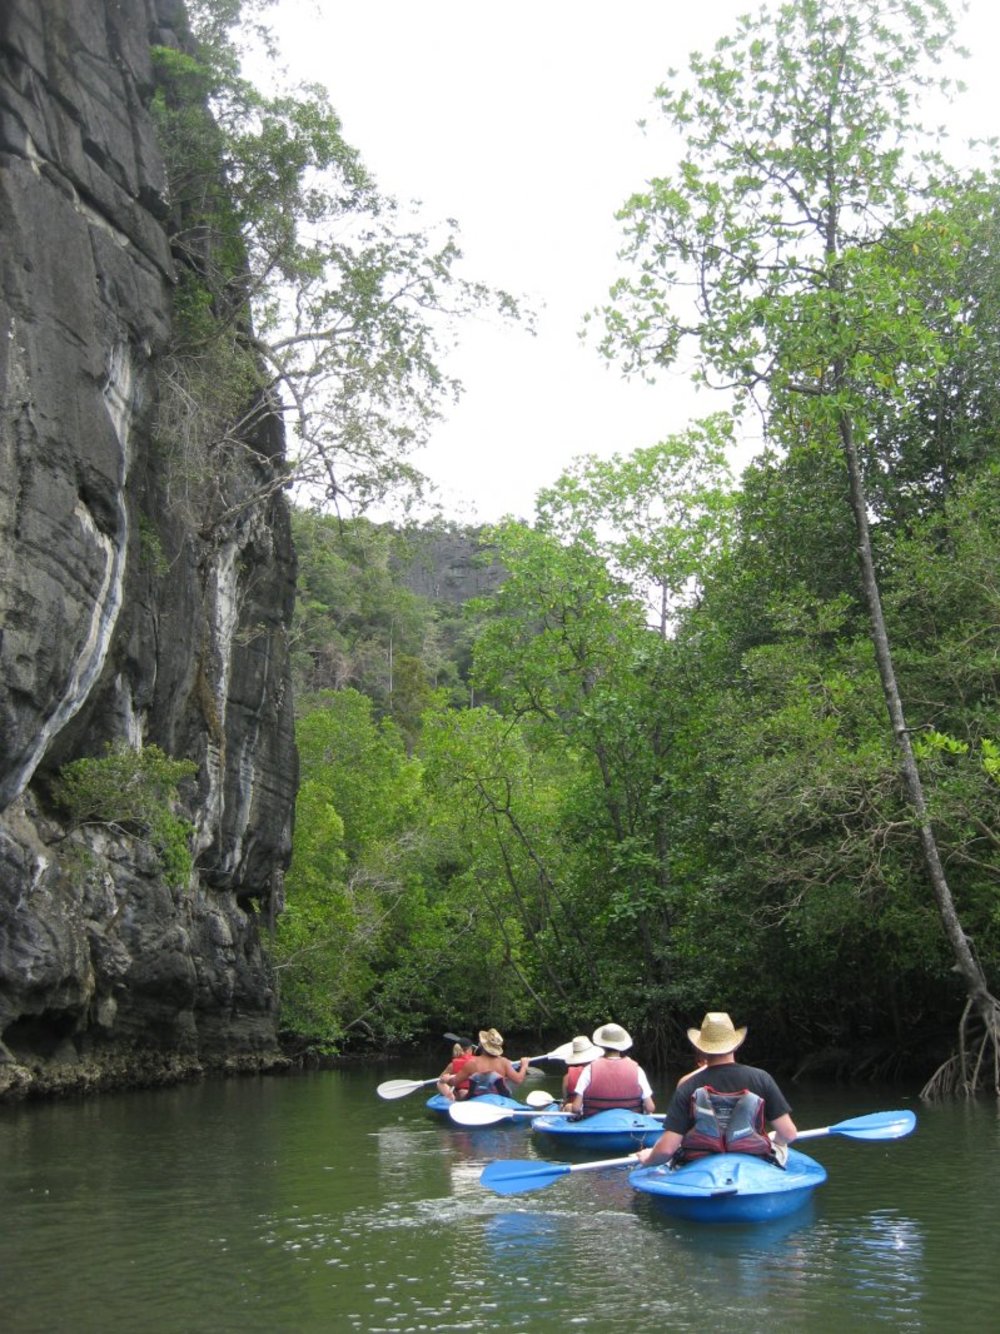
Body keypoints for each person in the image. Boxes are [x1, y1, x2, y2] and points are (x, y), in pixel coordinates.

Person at [636, 1011, 797, 1167]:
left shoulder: (687, 1086)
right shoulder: (762, 1078)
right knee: (778, 1141)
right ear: (736, 1045)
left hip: (699, 1164)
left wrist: (648, 1158)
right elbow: (789, 1134)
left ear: (701, 1050)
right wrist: (777, 1141)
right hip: (753, 1160)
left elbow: (666, 1150)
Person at [569, 1023, 656, 1116]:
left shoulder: (589, 1069)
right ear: (622, 1046)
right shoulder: (637, 1069)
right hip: (630, 1123)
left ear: (602, 1045)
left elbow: (576, 1108)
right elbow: (650, 1107)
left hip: (596, 1123)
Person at [439, 1028, 531, 1099]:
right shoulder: (504, 1062)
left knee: (457, 1092)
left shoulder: (472, 1063)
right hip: (499, 1099)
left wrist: (446, 1080)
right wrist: (524, 1065)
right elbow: (518, 1079)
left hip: (476, 1099)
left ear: (481, 1046)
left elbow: (455, 1082)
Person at [552, 1034, 603, 1108]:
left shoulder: (567, 1077)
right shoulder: (600, 1072)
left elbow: (566, 1101)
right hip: (594, 1111)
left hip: (576, 1114)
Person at [436, 1037, 476, 1102]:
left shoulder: (452, 1065)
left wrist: (448, 1079)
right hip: (474, 1092)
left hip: (460, 1092)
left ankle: (452, 1098)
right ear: (469, 1050)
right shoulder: (477, 1061)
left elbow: (441, 1078)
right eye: (472, 1049)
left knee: (439, 1083)